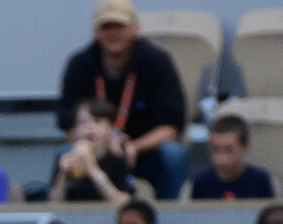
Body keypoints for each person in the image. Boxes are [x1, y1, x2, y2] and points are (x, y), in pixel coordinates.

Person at [55, 0, 187, 198]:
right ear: (95, 31)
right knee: (64, 153)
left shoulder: (157, 62)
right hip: (96, 150)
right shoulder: (80, 64)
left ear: (135, 28)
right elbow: (68, 126)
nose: (113, 33)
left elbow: (170, 127)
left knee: (173, 154)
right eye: (106, 27)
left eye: (119, 26)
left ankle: (169, 216)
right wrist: (101, 145)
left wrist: (131, 147)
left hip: (143, 152)